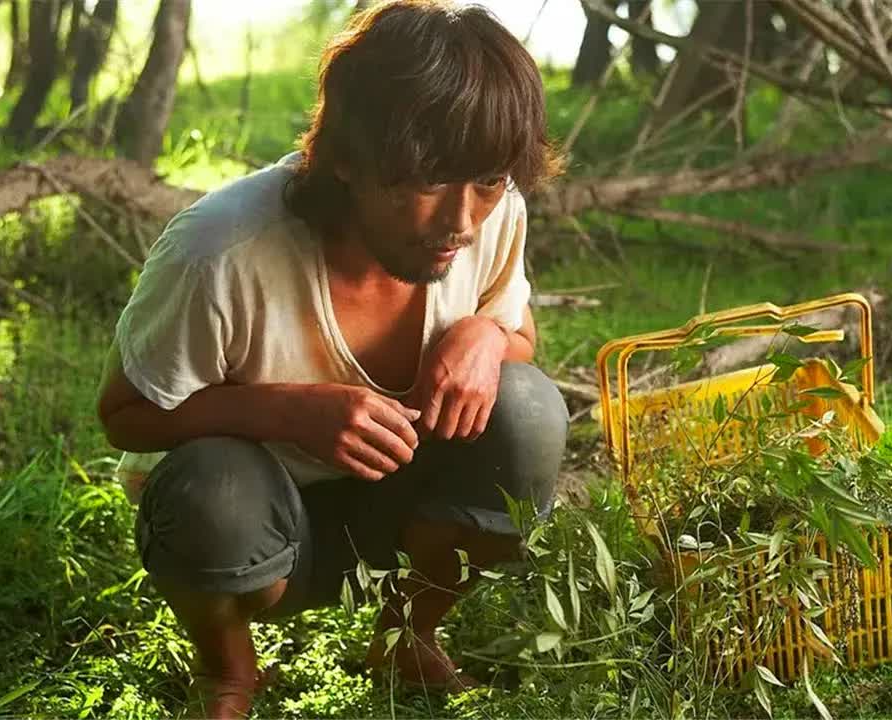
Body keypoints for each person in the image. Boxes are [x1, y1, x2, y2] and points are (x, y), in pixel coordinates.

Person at [95, 1, 568, 716]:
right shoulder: (220, 253)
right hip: (254, 532)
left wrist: (487, 336)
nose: (461, 222)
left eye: (488, 182)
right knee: (209, 486)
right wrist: (285, 412)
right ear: (345, 157)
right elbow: (124, 415)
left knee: (528, 409)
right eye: (427, 182)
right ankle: (227, 668)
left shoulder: (493, 214)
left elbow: (518, 329)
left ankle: (408, 634)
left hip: (403, 510)